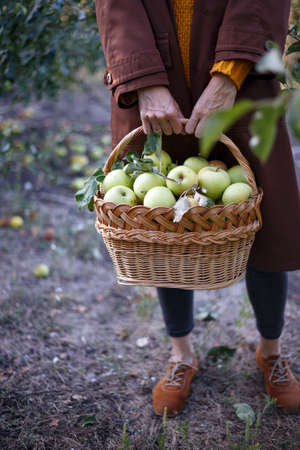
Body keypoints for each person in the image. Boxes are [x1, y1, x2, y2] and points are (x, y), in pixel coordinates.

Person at [95, 0, 300, 416]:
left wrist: (229, 77)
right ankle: (181, 355)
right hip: (157, 78)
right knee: (163, 229)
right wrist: (145, 81)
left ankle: (271, 352)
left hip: (241, 79)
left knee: (261, 218)